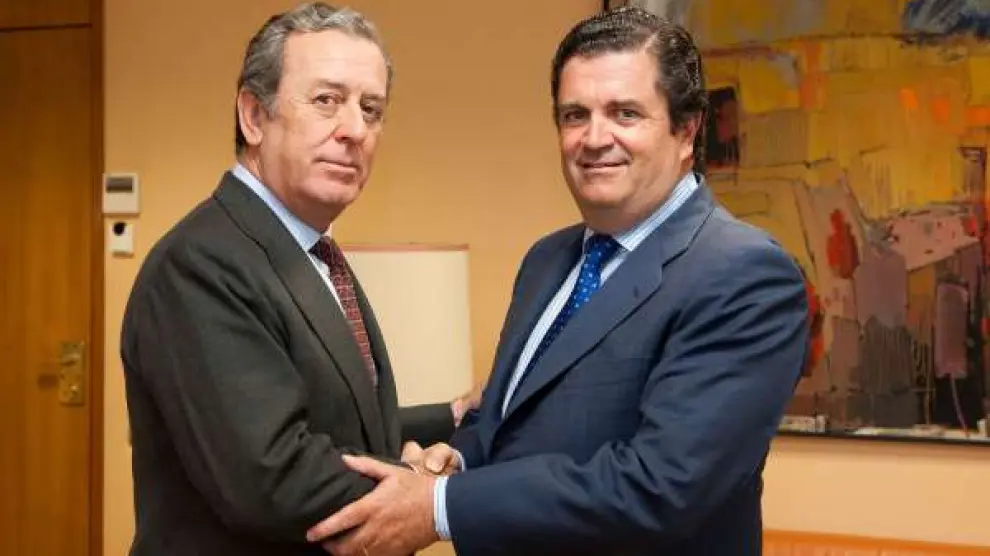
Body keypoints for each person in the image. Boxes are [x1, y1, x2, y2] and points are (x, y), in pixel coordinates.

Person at [305, 6, 810, 556]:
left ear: (686, 130)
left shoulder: (743, 274)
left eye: (625, 114)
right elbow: (504, 419)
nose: (594, 138)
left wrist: (442, 505)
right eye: (575, 115)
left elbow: (660, 487)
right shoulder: (547, 260)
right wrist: (459, 459)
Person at [119, 3, 476, 555]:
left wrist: (448, 418)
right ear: (253, 116)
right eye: (327, 100)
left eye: (371, 109)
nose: (355, 130)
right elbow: (272, 475)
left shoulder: (311, 250)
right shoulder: (200, 264)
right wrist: (427, 492)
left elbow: (338, 425)